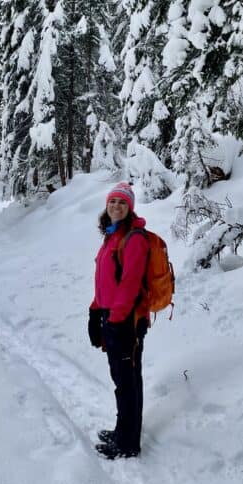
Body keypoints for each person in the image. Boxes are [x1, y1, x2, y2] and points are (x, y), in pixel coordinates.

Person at [88, 181, 150, 459]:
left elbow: (130, 284)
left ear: (130, 207)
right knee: (124, 379)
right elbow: (105, 282)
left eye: (122, 203)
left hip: (126, 322)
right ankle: (122, 431)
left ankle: (127, 443)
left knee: (127, 382)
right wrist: (94, 310)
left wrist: (115, 321)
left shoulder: (134, 239)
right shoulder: (112, 236)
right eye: (113, 201)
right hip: (112, 317)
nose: (116, 206)